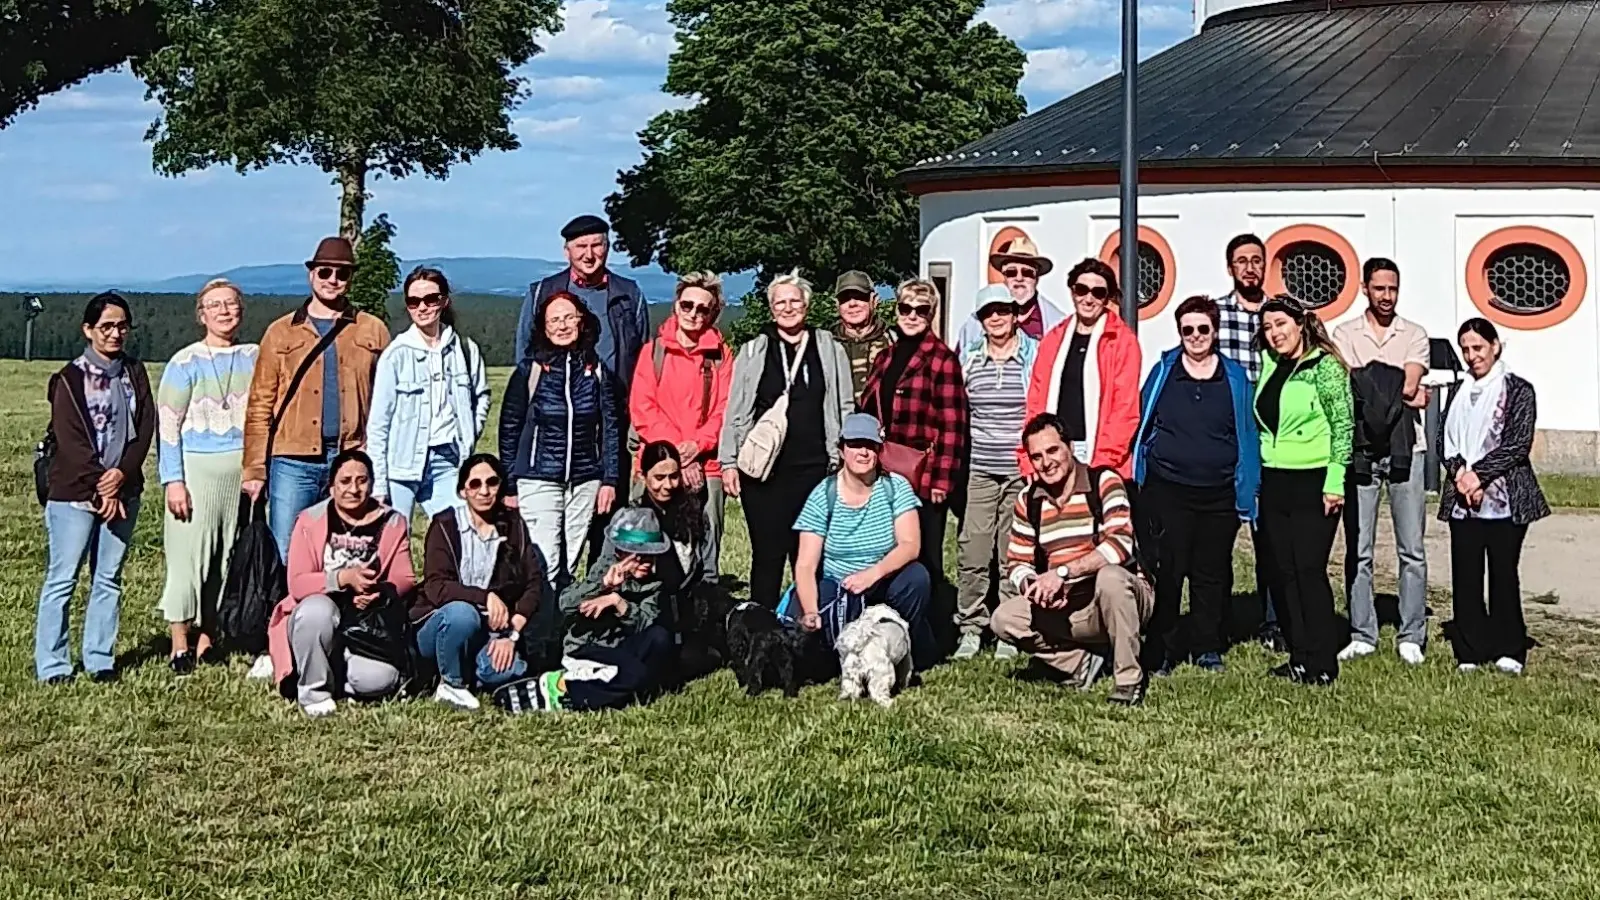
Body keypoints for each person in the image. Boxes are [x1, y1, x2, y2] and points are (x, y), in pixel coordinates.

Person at [1132, 296, 1260, 674]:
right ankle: (1163, 647)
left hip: (1218, 492)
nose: (1195, 336)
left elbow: (1247, 434)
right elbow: (1144, 418)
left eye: (1203, 328)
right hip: (1168, 487)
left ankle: (1208, 645)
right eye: (1187, 329)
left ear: (1215, 330)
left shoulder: (1234, 377)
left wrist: (1247, 489)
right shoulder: (1165, 370)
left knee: (1211, 571)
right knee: (1168, 569)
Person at [242, 237, 391, 561]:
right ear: (311, 275)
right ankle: (284, 611)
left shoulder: (373, 330)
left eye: (342, 273)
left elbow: (387, 400)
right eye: (325, 272)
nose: (333, 280)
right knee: (286, 549)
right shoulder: (281, 332)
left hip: (351, 458)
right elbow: (259, 405)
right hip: (292, 460)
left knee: (347, 550)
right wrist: (254, 470)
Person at [35, 292, 155, 685]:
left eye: (122, 326)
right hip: (74, 494)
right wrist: (102, 488)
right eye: (106, 326)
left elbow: (145, 428)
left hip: (124, 489)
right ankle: (53, 664)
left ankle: (99, 658)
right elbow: (71, 442)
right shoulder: (68, 380)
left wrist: (121, 476)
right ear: (88, 330)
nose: (115, 333)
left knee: (108, 577)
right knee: (63, 578)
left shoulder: (135, 373)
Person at [514, 214, 648, 565]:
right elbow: (524, 360)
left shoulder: (628, 295)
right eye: (580, 247)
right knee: (554, 532)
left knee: (606, 520)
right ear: (566, 251)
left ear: (607, 247)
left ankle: (594, 597)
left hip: (610, 424)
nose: (589, 254)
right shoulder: (543, 292)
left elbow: (642, 359)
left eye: (596, 245)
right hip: (553, 431)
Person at [992, 414, 1150, 706]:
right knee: (1004, 619)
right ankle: (1080, 664)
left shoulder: (1104, 480)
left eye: (1053, 451)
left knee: (1111, 578)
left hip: (1119, 596)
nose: (1046, 463)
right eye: (1036, 456)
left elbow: (1120, 545)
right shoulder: (1028, 500)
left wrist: (1063, 574)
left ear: (1070, 447)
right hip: (1066, 603)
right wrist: (1035, 587)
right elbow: (1016, 562)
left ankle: (1128, 679)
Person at [719, 271, 855, 608]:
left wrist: (846, 456)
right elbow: (736, 409)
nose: (788, 307)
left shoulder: (829, 348)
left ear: (807, 305)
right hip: (764, 472)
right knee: (767, 554)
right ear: (771, 307)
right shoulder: (754, 350)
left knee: (809, 554)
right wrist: (728, 462)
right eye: (780, 302)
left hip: (815, 469)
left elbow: (845, 403)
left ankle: (810, 622)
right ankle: (760, 627)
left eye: (795, 300)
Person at [157, 279, 259, 675]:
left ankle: (209, 635)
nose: (224, 311)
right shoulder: (184, 363)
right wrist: (174, 480)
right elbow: (168, 427)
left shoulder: (254, 357)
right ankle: (179, 642)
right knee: (187, 559)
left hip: (240, 474)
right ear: (201, 314)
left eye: (231, 304)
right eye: (214, 305)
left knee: (226, 556)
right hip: (196, 472)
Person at [1331, 258, 1430, 666]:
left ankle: (1411, 633)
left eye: (1393, 289)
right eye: (1379, 289)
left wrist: (1373, 379)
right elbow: (1349, 384)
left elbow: (1408, 381)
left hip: (1408, 446)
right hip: (1360, 448)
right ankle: (1362, 631)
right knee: (1360, 545)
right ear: (1365, 289)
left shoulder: (1415, 334)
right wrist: (1394, 388)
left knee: (1413, 548)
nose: (1387, 297)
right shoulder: (1344, 333)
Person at [266, 450, 416, 717]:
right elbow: (298, 584)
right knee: (317, 611)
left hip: (363, 626)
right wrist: (343, 579)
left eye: (362, 480)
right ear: (332, 486)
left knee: (382, 680)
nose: (354, 489)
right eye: (345, 481)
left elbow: (405, 579)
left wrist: (376, 591)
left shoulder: (393, 521)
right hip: (317, 613)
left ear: (372, 483)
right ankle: (314, 692)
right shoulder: (309, 520)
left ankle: (328, 669)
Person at [1439, 319, 1550, 675]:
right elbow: (1444, 437)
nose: (1472, 356)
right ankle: (1470, 649)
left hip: (1505, 498)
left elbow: (1517, 443)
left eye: (1478, 348)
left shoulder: (1518, 390)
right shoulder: (1458, 391)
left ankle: (1509, 647)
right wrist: (1459, 473)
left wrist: (1479, 475)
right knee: (1466, 574)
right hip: (1463, 499)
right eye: (1466, 349)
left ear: (1495, 346)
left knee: (1503, 574)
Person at [1255, 295, 1352, 686]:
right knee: (1282, 571)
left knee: (1308, 570)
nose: (1274, 333)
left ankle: (1322, 659)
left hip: (1314, 479)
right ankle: (1298, 652)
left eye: (1280, 324)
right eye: (1267, 327)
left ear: (1300, 323)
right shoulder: (1269, 364)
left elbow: (1343, 426)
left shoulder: (1325, 367)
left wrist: (1335, 480)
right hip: (1275, 477)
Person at [790, 413, 936, 670]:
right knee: (805, 615)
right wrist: (811, 612)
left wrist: (873, 574)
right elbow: (805, 565)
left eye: (870, 445)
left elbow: (910, 545)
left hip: (884, 580)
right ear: (842, 450)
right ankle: (833, 652)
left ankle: (901, 648)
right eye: (855, 444)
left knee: (917, 579)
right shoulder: (823, 494)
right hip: (838, 584)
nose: (863, 452)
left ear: (880, 450)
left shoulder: (896, 487)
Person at [859, 278, 968, 607]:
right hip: (884, 469)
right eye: (906, 308)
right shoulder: (886, 357)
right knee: (886, 544)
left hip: (923, 472)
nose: (912, 316)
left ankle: (930, 623)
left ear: (931, 313)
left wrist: (942, 480)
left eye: (921, 310)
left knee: (924, 549)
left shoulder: (941, 359)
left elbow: (954, 424)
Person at [498, 291, 619, 589]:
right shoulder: (530, 371)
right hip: (538, 478)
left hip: (585, 478)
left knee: (570, 562)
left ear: (582, 322)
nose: (562, 326)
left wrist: (610, 480)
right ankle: (539, 633)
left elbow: (611, 427)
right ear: (543, 327)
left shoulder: (597, 370)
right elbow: (509, 429)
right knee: (545, 563)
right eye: (554, 319)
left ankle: (560, 627)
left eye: (569, 317)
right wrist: (510, 484)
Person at [415, 455, 544, 711]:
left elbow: (534, 583)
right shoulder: (445, 524)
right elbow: (436, 586)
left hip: (491, 629)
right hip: (441, 622)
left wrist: (511, 634)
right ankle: (451, 684)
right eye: (475, 484)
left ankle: (462, 668)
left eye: (492, 482)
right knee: (463, 614)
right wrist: (484, 597)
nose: (484, 491)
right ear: (463, 491)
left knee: (511, 669)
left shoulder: (514, 524)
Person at [519, 508, 678, 712]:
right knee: (635, 675)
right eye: (638, 556)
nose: (646, 563)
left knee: (660, 637)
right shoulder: (603, 569)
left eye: (651, 556)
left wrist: (618, 602)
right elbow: (565, 604)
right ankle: (568, 689)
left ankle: (614, 687)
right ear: (620, 552)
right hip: (589, 647)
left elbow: (644, 623)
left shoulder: (653, 584)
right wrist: (603, 587)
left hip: (620, 647)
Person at [630, 272, 733, 580]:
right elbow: (643, 409)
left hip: (707, 465)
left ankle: (705, 615)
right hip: (655, 461)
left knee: (706, 549)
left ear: (713, 313)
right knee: (643, 545)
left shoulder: (721, 356)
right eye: (687, 305)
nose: (693, 314)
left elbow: (724, 411)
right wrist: (677, 456)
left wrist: (695, 449)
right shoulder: (654, 352)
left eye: (703, 309)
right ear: (676, 306)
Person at [368, 267, 491, 524]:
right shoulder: (396, 355)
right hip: (400, 466)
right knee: (394, 541)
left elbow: (482, 396)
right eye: (413, 302)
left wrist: (468, 434)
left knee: (457, 536)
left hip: (449, 461)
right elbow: (378, 424)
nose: (422, 307)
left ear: (444, 301)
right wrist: (379, 484)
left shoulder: (466, 349)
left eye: (430, 299)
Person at [954, 285, 1038, 659]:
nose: (997, 318)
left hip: (1019, 470)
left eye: (1003, 310)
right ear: (981, 320)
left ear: (1015, 313)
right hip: (980, 469)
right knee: (973, 550)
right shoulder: (970, 361)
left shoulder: (1033, 356)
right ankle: (971, 625)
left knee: (1012, 554)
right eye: (989, 313)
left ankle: (1009, 627)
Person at [1215, 233, 1283, 651]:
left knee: (1271, 538)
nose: (1250, 268)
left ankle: (1273, 620)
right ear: (1231, 269)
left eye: (1257, 261)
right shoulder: (1217, 314)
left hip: (1273, 439)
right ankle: (1218, 619)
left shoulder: (1280, 314)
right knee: (1219, 537)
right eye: (1242, 261)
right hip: (1227, 439)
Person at [1022, 258, 1141, 480]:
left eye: (1098, 293)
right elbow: (1036, 401)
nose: (1088, 298)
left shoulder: (1122, 341)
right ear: (1072, 292)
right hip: (1052, 454)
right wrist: (1031, 457)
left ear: (1107, 298)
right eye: (1082, 289)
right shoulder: (1054, 339)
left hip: (1100, 458)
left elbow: (1124, 410)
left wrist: (1102, 464)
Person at [958, 236, 1068, 345]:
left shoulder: (1058, 322)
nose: (1019, 278)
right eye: (1011, 272)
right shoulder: (975, 323)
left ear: (1037, 278)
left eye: (1027, 273)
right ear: (1004, 277)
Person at [831, 270, 895, 398]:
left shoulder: (893, 341)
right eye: (845, 298)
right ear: (837, 305)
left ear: (874, 300)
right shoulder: (826, 345)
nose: (852, 304)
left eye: (860, 297)